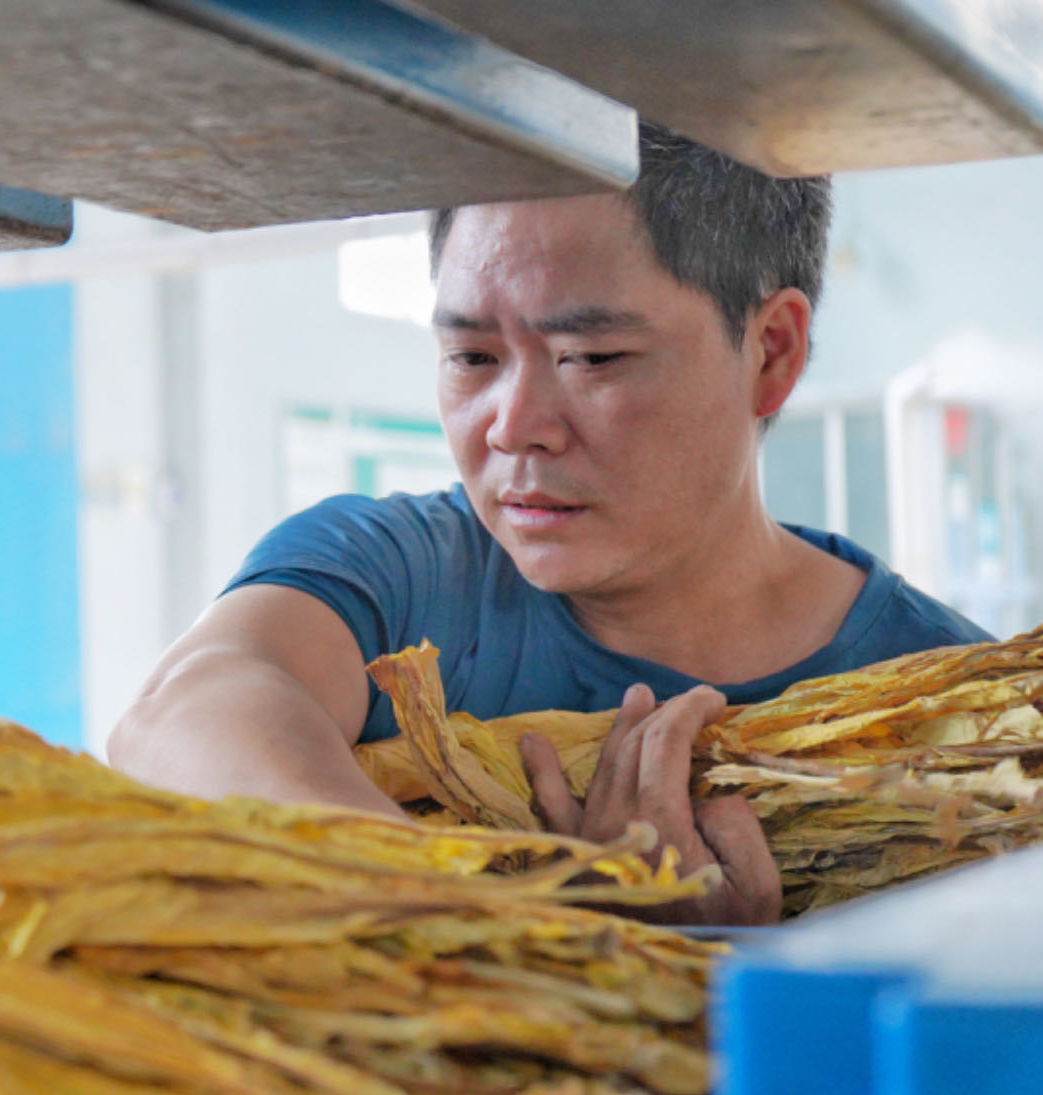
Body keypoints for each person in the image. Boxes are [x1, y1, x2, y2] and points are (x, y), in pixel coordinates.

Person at [107, 123, 991, 925]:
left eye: (591, 358)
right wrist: (518, 942)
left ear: (770, 353)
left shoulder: (967, 715)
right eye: (471, 357)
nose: (511, 423)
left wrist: (728, 989)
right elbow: (186, 713)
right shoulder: (395, 575)